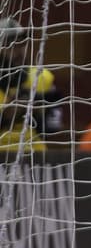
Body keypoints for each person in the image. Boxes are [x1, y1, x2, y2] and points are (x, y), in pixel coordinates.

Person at [0, 18, 64, 151]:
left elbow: (53, 130)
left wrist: (38, 111)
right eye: (10, 44)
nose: (18, 50)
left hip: (34, 155)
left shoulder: (42, 77)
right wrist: (6, 116)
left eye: (21, 43)